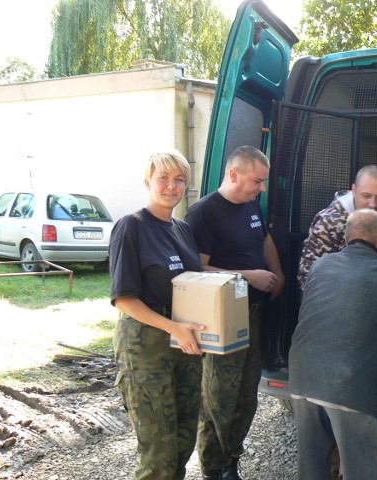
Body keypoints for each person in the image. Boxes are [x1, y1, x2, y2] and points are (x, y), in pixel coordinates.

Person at [185, 145, 285, 480]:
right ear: (234, 174)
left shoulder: (250, 205)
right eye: (258, 181)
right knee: (219, 396)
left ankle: (231, 459)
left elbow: (265, 241)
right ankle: (214, 467)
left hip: (253, 313)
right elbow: (197, 269)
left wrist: (277, 273)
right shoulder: (203, 214)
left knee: (247, 392)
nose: (262, 188)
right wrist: (249, 276)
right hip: (222, 318)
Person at [289, 208, 377, 480]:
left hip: (301, 376)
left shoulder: (320, 265)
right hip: (347, 385)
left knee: (311, 466)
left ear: (345, 238)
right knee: (360, 468)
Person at [109, 150, 205, 480]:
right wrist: (173, 328)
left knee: (182, 443)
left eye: (179, 179)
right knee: (158, 453)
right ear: (148, 181)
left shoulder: (183, 229)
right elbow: (123, 298)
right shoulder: (131, 227)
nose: (171, 186)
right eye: (163, 178)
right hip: (145, 345)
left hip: (184, 344)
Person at [297, 165, 377, 290]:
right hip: (337, 298)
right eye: (366, 196)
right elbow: (308, 274)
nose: (372, 204)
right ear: (354, 190)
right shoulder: (329, 222)